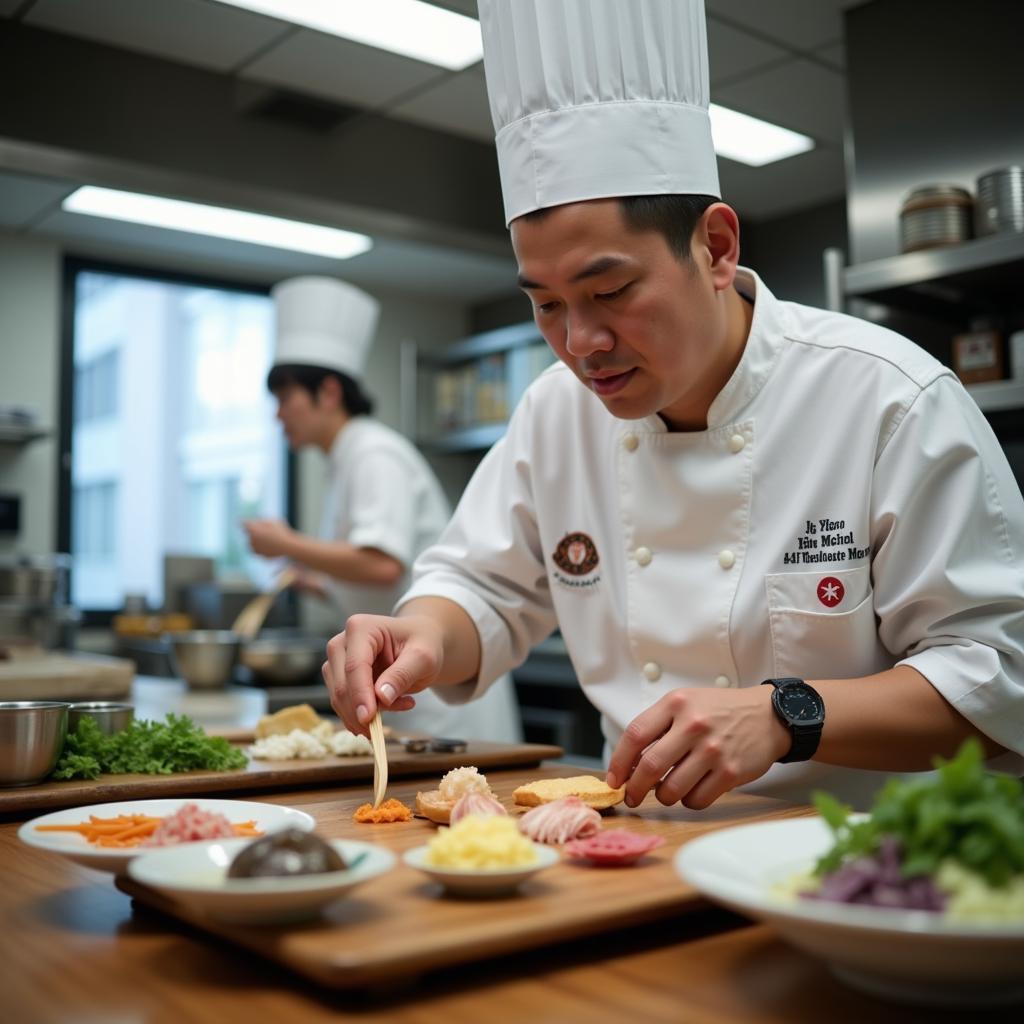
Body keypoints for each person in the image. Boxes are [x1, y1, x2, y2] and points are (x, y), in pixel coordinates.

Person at [323, 0, 1024, 809]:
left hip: (865, 869)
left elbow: (999, 674)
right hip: (638, 849)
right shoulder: (557, 413)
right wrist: (419, 635)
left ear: (717, 249)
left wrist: (785, 713)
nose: (579, 342)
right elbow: (481, 588)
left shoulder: (887, 399)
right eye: (546, 304)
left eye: (609, 290)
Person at [243, 275, 522, 743]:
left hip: (438, 694)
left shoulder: (373, 453)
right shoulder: (345, 459)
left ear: (328, 393)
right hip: (402, 687)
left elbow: (382, 565)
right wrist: (317, 580)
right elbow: (370, 571)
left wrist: (286, 543)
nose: (278, 415)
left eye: (286, 398)